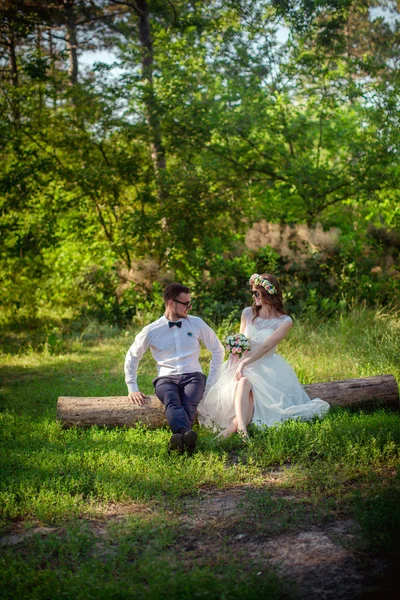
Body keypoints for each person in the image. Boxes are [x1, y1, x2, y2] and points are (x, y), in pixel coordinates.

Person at [198, 273, 330, 438]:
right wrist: (235, 351)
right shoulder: (247, 313)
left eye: (257, 293)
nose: (254, 297)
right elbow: (242, 339)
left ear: (268, 293)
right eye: (253, 293)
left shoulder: (284, 321)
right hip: (242, 363)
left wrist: (244, 363)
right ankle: (242, 430)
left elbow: (266, 346)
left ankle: (231, 430)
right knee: (244, 383)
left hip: (266, 366)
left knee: (250, 393)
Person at [125, 282, 224, 452]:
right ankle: (186, 434)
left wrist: (212, 381)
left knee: (189, 404)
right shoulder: (152, 330)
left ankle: (179, 438)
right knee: (171, 400)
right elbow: (132, 356)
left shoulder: (197, 323)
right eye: (186, 304)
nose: (189, 307)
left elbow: (218, 349)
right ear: (171, 303)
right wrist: (132, 387)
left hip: (193, 376)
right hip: (165, 378)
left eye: (190, 303)